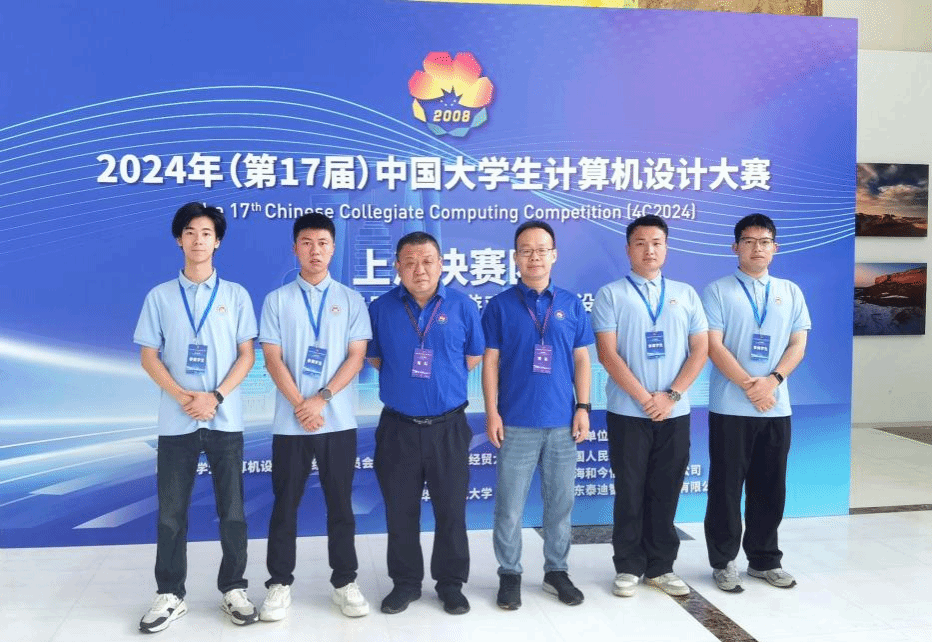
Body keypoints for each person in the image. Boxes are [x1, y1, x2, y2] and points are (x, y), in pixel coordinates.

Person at [134, 202, 258, 632]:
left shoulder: (236, 295)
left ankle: (234, 589)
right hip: (177, 420)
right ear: (179, 240)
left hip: (225, 419)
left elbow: (247, 355)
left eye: (206, 233)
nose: (198, 240)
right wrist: (184, 397)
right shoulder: (159, 296)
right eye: (190, 232)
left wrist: (215, 397)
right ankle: (170, 594)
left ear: (217, 241)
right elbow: (149, 356)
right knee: (171, 514)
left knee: (233, 512)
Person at [257, 213, 372, 620]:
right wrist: (300, 405)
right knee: (284, 505)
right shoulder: (277, 300)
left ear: (333, 248)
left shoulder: (352, 300)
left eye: (322, 243)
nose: (315, 250)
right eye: (307, 243)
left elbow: (356, 356)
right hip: (290, 424)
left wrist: (321, 399)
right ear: (295, 248)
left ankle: (344, 582)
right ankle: (279, 584)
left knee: (340, 504)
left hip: (337, 422)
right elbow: (272, 359)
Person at [366, 231, 484, 615]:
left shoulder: (463, 306)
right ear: (397, 267)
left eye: (428, 261)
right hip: (398, 428)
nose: (420, 269)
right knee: (400, 511)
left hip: (448, 428)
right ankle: (405, 583)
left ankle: (450, 584)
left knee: (451, 511)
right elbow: (376, 359)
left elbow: (472, 357)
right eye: (411, 262)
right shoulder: (381, 309)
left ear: (441, 264)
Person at [591, 214, 708, 598]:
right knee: (630, 490)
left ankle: (661, 567)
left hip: (674, 412)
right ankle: (628, 565)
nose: (649, 250)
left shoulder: (686, 294)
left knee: (666, 489)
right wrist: (645, 399)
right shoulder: (611, 294)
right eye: (640, 243)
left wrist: (670, 395)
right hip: (628, 413)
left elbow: (700, 349)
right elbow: (607, 355)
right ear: (629, 249)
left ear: (666, 248)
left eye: (656, 243)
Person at [481, 221, 594, 610]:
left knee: (560, 505)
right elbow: (490, 363)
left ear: (554, 255)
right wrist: (492, 412)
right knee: (509, 507)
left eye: (542, 250)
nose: (534, 257)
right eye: (526, 250)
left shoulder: (571, 304)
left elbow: (583, 360)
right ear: (515, 257)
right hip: (515, 423)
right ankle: (509, 573)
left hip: (563, 423)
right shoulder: (499, 306)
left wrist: (583, 407)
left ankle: (556, 572)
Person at [702, 213, 810, 593]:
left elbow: (798, 343)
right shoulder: (717, 290)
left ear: (775, 248)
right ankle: (723, 562)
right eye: (749, 241)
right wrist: (751, 386)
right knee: (726, 487)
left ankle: (764, 561)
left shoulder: (790, 291)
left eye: (764, 242)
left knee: (770, 486)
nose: (757, 248)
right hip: (731, 406)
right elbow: (713, 345)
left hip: (776, 407)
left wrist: (773, 381)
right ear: (736, 247)